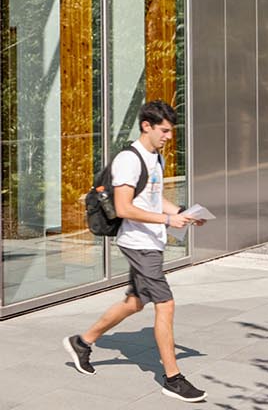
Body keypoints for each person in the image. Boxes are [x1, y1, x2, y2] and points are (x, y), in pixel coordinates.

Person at [64, 101, 207, 403]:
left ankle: (82, 342)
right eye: (164, 130)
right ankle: (172, 378)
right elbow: (124, 208)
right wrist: (169, 220)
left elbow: (152, 200)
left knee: (134, 303)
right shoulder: (128, 161)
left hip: (152, 241)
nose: (169, 136)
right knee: (165, 305)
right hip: (138, 244)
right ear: (147, 126)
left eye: (171, 131)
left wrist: (183, 212)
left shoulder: (156, 158)